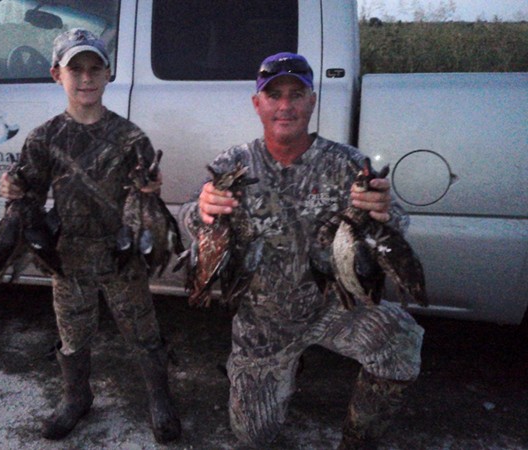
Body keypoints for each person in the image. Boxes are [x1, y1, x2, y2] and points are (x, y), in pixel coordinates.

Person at [179, 52, 424, 449]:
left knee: (400, 340)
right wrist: (202, 209)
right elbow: (190, 218)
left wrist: (383, 212)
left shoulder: (346, 164)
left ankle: (358, 440)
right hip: (263, 323)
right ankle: (279, 370)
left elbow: (396, 227)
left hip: (333, 307)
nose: (285, 105)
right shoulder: (234, 164)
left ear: (312, 101)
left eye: (296, 94)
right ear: (257, 103)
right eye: (274, 95)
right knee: (254, 436)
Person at [0, 28, 180, 443]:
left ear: (108, 73)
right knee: (73, 334)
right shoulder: (44, 138)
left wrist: (150, 190)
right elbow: (29, 196)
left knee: (143, 331)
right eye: (75, 68)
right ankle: (76, 397)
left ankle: (160, 398)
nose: (86, 78)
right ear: (56, 74)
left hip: (121, 255)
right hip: (69, 256)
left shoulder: (131, 137)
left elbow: (145, 201)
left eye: (95, 68)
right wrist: (12, 188)